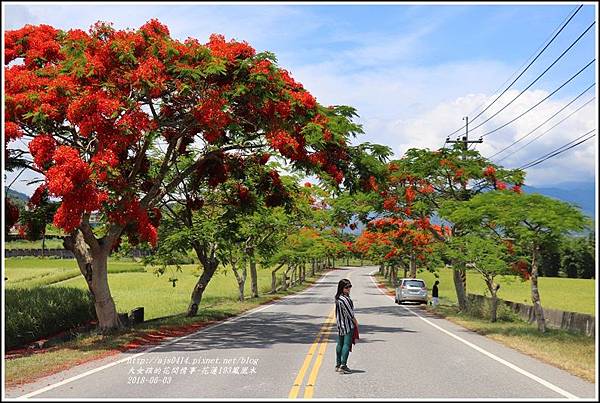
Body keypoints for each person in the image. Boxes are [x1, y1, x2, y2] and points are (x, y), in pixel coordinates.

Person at [334, 278, 358, 374]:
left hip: (340, 324)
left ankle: (338, 364)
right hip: (347, 325)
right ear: (342, 288)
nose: (348, 288)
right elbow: (350, 313)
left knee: (340, 344)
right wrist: (355, 322)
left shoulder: (338, 298)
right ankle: (343, 365)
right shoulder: (345, 299)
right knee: (346, 344)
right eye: (346, 287)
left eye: (349, 286)